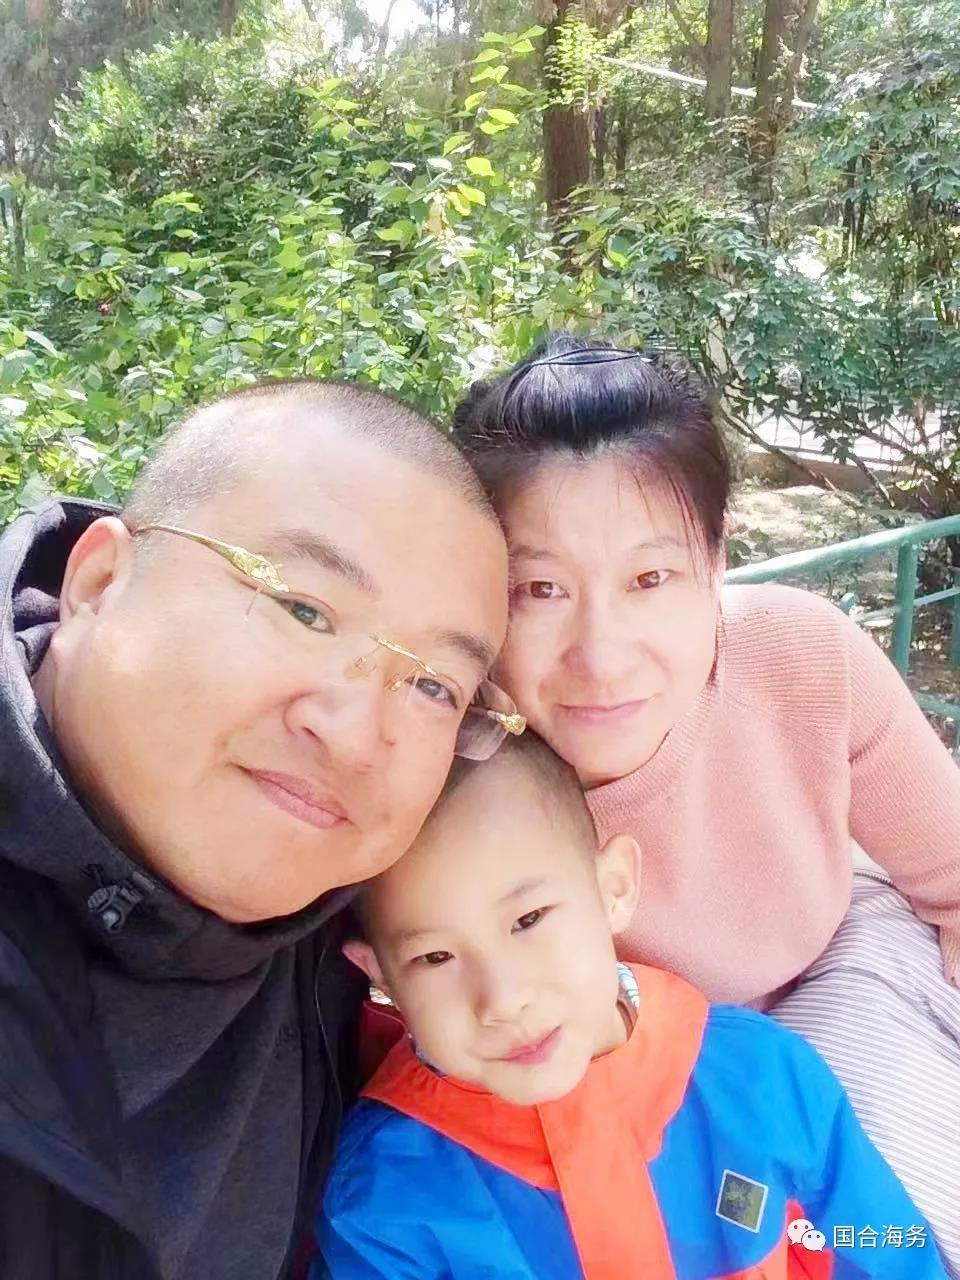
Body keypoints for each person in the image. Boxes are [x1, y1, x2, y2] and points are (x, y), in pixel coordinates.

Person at [450, 332, 960, 1271]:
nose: (602, 656)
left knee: (889, 1225)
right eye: (540, 589)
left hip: (842, 976)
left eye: (650, 579)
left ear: (717, 563)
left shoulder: (801, 658)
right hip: (656, 1086)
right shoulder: (452, 776)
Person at [0, 378, 520, 1278]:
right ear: (99, 580)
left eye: (434, 686)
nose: (356, 738)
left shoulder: (372, 921)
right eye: (303, 610)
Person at [317, 733, 947, 1278]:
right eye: (435, 957)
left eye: (529, 919)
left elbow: (880, 1242)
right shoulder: (383, 1196)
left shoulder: (761, 1075)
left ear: (612, 889)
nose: (504, 999)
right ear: (380, 975)